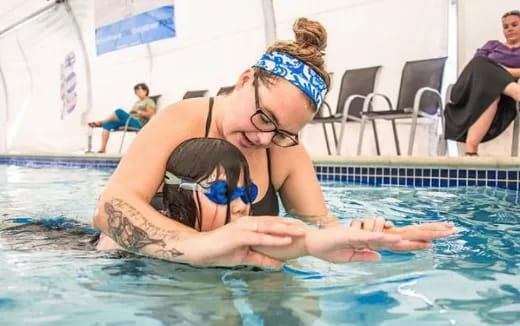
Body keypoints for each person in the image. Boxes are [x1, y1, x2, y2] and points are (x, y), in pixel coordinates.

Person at [93, 17, 455, 268]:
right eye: (264, 116)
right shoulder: (180, 119)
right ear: (245, 79)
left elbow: (319, 223)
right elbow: (110, 208)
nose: (263, 138)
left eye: (283, 132)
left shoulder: (285, 151)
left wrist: (358, 234)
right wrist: (200, 247)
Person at [97, 137, 456, 263]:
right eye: (224, 193)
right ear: (179, 193)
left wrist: (349, 238)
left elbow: (285, 243)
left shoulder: (239, 229)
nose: (240, 205)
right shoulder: (123, 242)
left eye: (246, 193)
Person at [445, 10, 520, 156]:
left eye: (514, 25)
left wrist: (498, 72)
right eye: (506, 27)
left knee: (491, 92)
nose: (509, 29)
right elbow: (477, 66)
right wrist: (502, 72)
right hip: (468, 90)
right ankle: (515, 91)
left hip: (495, 96)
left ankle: (470, 153)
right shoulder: (493, 45)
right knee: (482, 63)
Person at [88, 83, 156, 153]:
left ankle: (100, 122)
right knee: (108, 124)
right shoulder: (137, 102)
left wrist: (138, 112)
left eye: (139, 90)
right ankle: (103, 149)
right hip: (130, 120)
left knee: (119, 111)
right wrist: (132, 113)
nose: (137, 93)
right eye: (136, 91)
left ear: (145, 91)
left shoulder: (149, 101)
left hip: (139, 123)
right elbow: (132, 113)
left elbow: (150, 114)